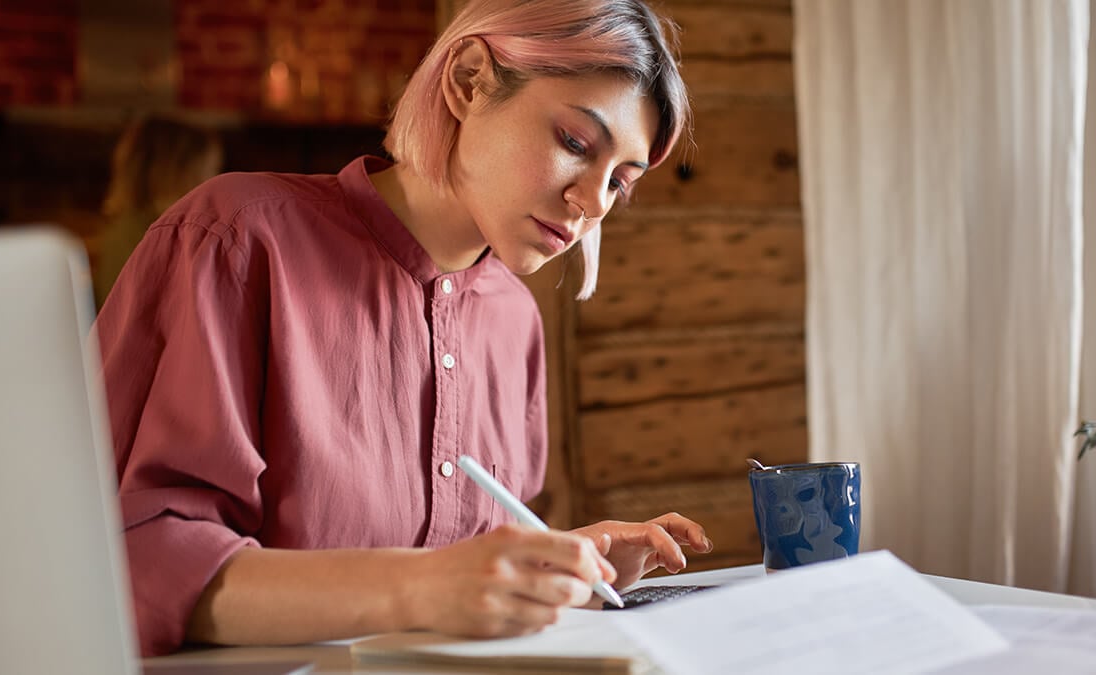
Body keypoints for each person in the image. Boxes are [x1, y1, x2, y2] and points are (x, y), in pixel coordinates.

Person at [95, 0, 712, 658]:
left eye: (619, 181)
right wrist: (420, 585)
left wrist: (549, 570)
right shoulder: (237, 239)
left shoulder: (514, 322)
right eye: (574, 143)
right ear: (469, 79)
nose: (591, 204)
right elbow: (133, 561)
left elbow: (455, 580)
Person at [94, 114, 223, 310]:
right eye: (210, 170)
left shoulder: (132, 232)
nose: (214, 181)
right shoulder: (143, 239)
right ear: (179, 175)